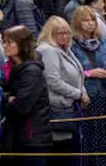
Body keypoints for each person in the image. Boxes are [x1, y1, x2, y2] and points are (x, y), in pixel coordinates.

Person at [67, 6, 106, 166]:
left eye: (92, 20)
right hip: (86, 98)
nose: (90, 24)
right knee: (87, 136)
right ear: (78, 23)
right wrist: (90, 73)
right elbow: (71, 72)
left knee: (105, 135)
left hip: (104, 96)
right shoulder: (72, 45)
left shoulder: (102, 41)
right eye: (86, 20)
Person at [0, 25, 52, 166]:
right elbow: (0, 90)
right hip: (14, 136)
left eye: (10, 42)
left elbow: (22, 105)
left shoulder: (32, 71)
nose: (5, 46)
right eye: (4, 42)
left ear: (22, 45)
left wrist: (5, 98)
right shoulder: (11, 67)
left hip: (31, 138)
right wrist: (7, 97)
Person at [36, 15, 87, 163]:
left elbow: (77, 74)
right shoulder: (48, 51)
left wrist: (82, 90)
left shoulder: (64, 49)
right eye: (60, 33)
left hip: (69, 106)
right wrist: (78, 94)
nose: (64, 36)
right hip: (57, 109)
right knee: (62, 154)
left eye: (67, 32)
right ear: (50, 33)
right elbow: (53, 81)